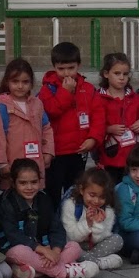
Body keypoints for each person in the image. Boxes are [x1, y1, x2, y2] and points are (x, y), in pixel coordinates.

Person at [0, 158, 99, 278]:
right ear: (13, 183)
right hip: (14, 247)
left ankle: (36, 271)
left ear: (40, 181)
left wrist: (56, 251)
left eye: (34, 182)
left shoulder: (44, 199)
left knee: (74, 247)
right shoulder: (7, 201)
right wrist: (42, 250)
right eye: (23, 183)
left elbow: (56, 228)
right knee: (20, 252)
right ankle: (64, 272)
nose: (29, 187)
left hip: (45, 247)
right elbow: (13, 235)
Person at [38, 42, 99, 202]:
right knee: (52, 192)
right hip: (56, 152)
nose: (66, 73)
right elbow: (51, 111)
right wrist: (66, 92)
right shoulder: (47, 89)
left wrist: (93, 138)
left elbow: (98, 116)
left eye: (71, 68)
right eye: (61, 69)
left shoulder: (88, 88)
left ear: (78, 65)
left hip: (79, 150)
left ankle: (72, 222)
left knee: (75, 192)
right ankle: (53, 224)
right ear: (54, 67)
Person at [0, 57, 49, 181]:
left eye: (25, 82)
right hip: (13, 165)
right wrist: (2, 163)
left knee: (34, 192)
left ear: (31, 83)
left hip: (36, 162)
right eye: (15, 81)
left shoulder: (37, 104)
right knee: (14, 195)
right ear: (7, 82)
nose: (20, 86)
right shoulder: (1, 106)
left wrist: (48, 152)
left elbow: (46, 128)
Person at [93, 52, 139, 178]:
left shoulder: (134, 97)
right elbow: (94, 124)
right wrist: (108, 129)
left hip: (132, 156)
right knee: (112, 192)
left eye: (125, 74)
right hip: (110, 156)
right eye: (117, 73)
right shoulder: (98, 98)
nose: (122, 78)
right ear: (106, 74)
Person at [61, 168, 125, 270]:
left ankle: (87, 259)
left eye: (102, 197)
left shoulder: (107, 211)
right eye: (92, 195)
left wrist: (97, 223)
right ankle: (99, 262)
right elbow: (72, 236)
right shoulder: (70, 205)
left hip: (94, 246)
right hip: (75, 243)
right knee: (71, 246)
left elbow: (99, 239)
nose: (96, 201)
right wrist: (87, 223)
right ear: (82, 190)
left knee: (118, 239)